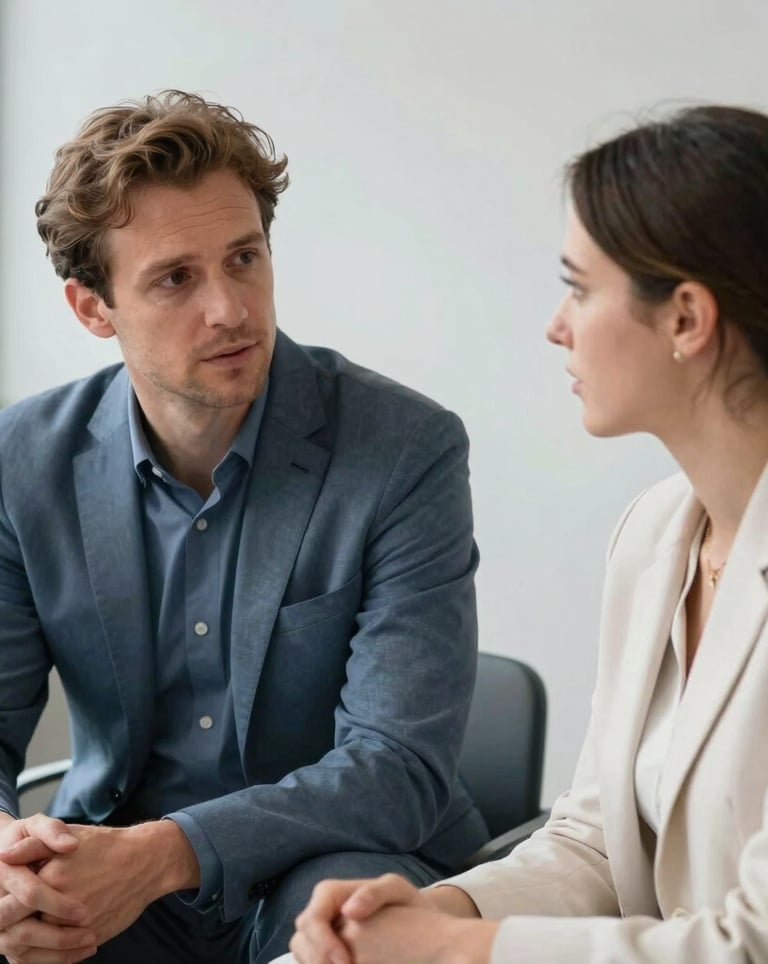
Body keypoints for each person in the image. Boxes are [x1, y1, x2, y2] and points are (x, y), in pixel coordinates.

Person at [0, 90, 488, 963]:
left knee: (341, 931)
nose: (230, 308)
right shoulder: (21, 459)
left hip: (334, 865)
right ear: (92, 308)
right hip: (113, 870)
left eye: (244, 258)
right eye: (175, 278)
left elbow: (395, 767)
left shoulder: (404, 449)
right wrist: (10, 864)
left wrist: (162, 855)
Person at [288, 102, 768, 964]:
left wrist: (453, 951)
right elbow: (591, 840)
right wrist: (434, 910)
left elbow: (755, 942)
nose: (556, 324)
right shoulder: (654, 534)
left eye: (579, 288)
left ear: (686, 319)